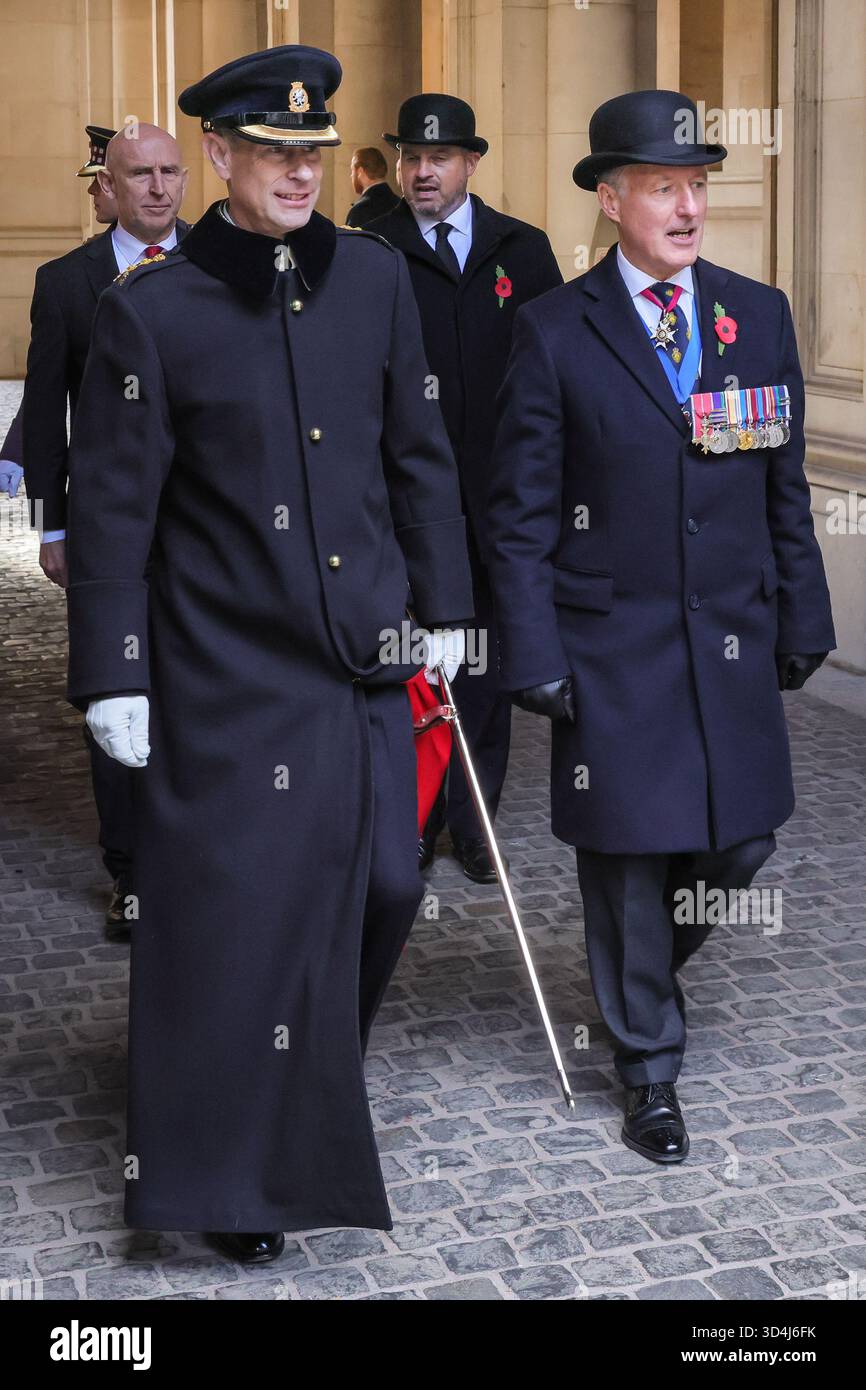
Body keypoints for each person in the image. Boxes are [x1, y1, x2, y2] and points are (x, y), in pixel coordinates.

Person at [65, 44, 473, 1263]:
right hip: (225, 678)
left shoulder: (376, 283)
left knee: (389, 888)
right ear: (219, 157)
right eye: (273, 152)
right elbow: (115, 516)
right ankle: (240, 1179)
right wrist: (114, 669)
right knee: (242, 922)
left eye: (311, 151)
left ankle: (288, 1087)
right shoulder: (149, 313)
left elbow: (419, 457)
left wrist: (443, 606)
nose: (298, 172)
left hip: (355, 664)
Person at [484, 90, 835, 1164]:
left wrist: (801, 608)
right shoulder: (551, 330)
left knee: (739, 838)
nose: (686, 207)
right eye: (662, 187)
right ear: (610, 198)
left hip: (727, 634)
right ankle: (647, 1067)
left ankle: (632, 975)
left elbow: (781, 482)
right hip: (609, 644)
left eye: (696, 185)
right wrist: (531, 651)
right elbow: (519, 513)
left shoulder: (755, 313)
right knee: (629, 856)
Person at [372, 94, 562, 882]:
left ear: (470, 163)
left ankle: (473, 821)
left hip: (495, 506)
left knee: (480, 672)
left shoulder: (524, 251)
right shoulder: (368, 250)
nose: (422, 171)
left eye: (438, 158)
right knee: (409, 668)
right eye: (411, 158)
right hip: (399, 506)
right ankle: (413, 822)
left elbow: (561, 377)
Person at [22, 124, 190, 933]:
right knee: (115, 693)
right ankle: (130, 871)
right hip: (105, 531)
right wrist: (50, 527)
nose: (156, 188)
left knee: (199, 690)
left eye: (168, 173)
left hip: (206, 530)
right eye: (139, 175)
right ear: (109, 188)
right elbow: (45, 419)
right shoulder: (65, 283)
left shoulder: (226, 265)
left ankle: (198, 850)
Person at [0, 126, 118, 501]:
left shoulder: (198, 258)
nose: (92, 192)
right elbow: (45, 390)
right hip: (104, 493)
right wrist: (44, 525)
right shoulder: (68, 275)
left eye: (98, 181)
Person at [345, 145, 399, 227]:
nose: (351, 175)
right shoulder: (399, 205)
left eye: (352, 171)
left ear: (360, 171)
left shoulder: (360, 211)